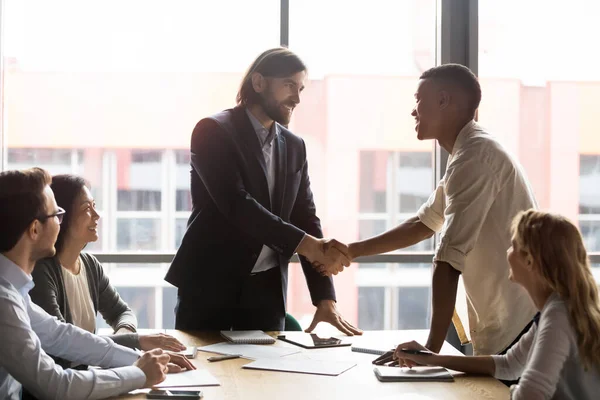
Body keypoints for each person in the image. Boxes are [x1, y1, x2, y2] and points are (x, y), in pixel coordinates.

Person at [324, 64, 537, 357]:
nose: (413, 111)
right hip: (508, 322)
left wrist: (429, 352)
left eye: (418, 100)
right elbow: (423, 223)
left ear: (443, 100)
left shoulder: (476, 158)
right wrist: (352, 250)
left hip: (519, 325)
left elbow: (447, 260)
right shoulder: (467, 153)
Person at [165, 48, 361, 335]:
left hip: (266, 296)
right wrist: (308, 245)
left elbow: (305, 217)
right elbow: (237, 205)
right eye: (289, 85)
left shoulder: (295, 146)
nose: (297, 98)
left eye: (301, 88)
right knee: (206, 376)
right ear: (258, 83)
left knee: (267, 379)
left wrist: (324, 297)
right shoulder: (212, 131)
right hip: (209, 288)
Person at [0, 168, 194, 400]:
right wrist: (139, 373)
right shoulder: (4, 301)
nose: (59, 223)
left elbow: (61, 335)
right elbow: (56, 385)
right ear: (35, 229)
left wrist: (143, 361)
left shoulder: (14, 291)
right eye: (57, 215)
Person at [388, 210, 600, 400]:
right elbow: (508, 364)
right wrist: (431, 359)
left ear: (529, 261)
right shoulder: (558, 308)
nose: (507, 252)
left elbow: (530, 394)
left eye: (513, 245)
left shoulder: (558, 314)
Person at [29, 174, 186, 370]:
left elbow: (122, 313)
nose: (96, 215)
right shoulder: (42, 272)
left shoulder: (90, 265)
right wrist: (135, 341)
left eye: (94, 205)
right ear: (61, 217)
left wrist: (122, 339)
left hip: (85, 378)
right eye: (87, 209)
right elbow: (64, 347)